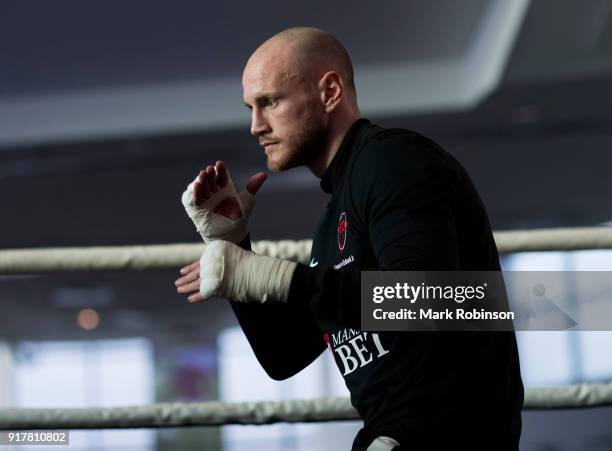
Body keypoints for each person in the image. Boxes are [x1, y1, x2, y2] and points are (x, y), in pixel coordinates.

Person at [175, 27, 524, 451]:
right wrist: (236, 244)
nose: (255, 126)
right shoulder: (334, 218)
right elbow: (284, 356)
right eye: (251, 107)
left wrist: (278, 278)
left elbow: (428, 300)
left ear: (330, 91)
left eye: (270, 102)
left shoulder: (393, 161)